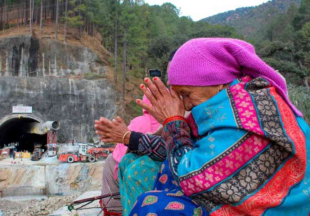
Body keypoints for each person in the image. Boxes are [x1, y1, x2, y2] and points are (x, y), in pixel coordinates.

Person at [96, 38, 310, 216]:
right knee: (139, 163)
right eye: (179, 96)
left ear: (217, 81)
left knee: (151, 206)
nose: (186, 104)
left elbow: (192, 176)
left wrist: (172, 121)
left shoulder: (247, 114)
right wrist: (128, 136)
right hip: (218, 186)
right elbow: (180, 148)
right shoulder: (220, 107)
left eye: (186, 94)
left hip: (274, 207)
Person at [99, 95, 161, 214]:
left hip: (137, 175)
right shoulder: (171, 122)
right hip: (160, 175)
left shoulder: (139, 122)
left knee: (111, 161)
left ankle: (113, 207)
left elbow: (119, 153)